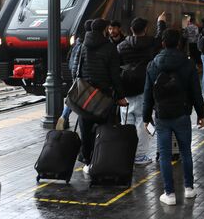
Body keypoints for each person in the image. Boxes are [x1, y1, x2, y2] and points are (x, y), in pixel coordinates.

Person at [143, 29, 204, 206]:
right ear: (179, 43)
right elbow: (196, 91)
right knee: (186, 152)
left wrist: (146, 117)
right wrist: (201, 114)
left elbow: (148, 94)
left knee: (164, 154)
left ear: (163, 43)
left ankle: (169, 193)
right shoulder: (188, 64)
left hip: (162, 115)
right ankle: (189, 188)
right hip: (182, 113)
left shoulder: (152, 65)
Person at [79, 18, 128, 175]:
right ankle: (103, 161)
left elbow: (77, 70)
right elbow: (115, 75)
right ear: (105, 29)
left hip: (85, 94)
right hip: (104, 96)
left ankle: (88, 162)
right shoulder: (110, 48)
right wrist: (120, 96)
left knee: (85, 130)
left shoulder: (84, 46)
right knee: (105, 130)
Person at [117, 14, 166, 165]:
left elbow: (116, 67)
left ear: (131, 29)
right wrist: (161, 22)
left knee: (127, 122)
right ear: (145, 29)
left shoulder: (121, 46)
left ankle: (126, 153)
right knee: (143, 120)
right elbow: (161, 37)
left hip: (126, 88)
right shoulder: (151, 43)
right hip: (145, 87)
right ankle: (139, 155)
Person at [56, 19, 93, 131]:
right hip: (83, 75)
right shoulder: (87, 43)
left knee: (73, 97)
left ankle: (64, 116)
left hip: (75, 74)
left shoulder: (78, 41)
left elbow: (71, 58)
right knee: (83, 98)